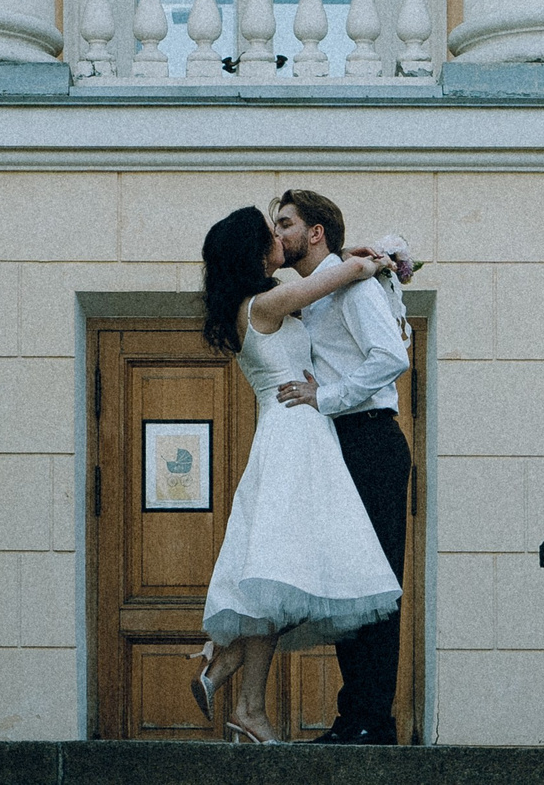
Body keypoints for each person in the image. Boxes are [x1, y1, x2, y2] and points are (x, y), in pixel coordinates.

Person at [191, 206, 401, 744]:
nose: (279, 237)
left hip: (296, 437)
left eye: (285, 225)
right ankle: (246, 699)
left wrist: (360, 258)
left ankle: (235, 683)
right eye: (272, 231)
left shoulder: (258, 305)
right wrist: (378, 256)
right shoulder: (268, 303)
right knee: (294, 569)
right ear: (256, 251)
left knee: (290, 570)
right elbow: (347, 274)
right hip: (296, 437)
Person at [270, 189, 413, 746]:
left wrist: (324, 397)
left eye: (286, 223)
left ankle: (373, 722)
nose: (277, 234)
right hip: (339, 445)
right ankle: (353, 716)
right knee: (350, 583)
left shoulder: (351, 285)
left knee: (376, 584)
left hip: (370, 441)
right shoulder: (316, 291)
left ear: (316, 232)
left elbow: (391, 357)